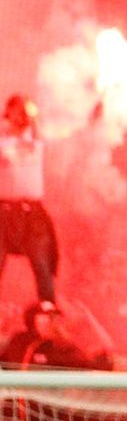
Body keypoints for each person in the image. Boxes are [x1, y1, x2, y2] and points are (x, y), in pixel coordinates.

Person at [0, 95, 57, 307]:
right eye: (15, 110)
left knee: (42, 262)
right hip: (5, 211)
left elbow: (39, 136)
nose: (20, 115)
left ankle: (48, 308)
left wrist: (33, 117)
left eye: (21, 111)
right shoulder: (3, 142)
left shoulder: (36, 142)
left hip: (32, 213)